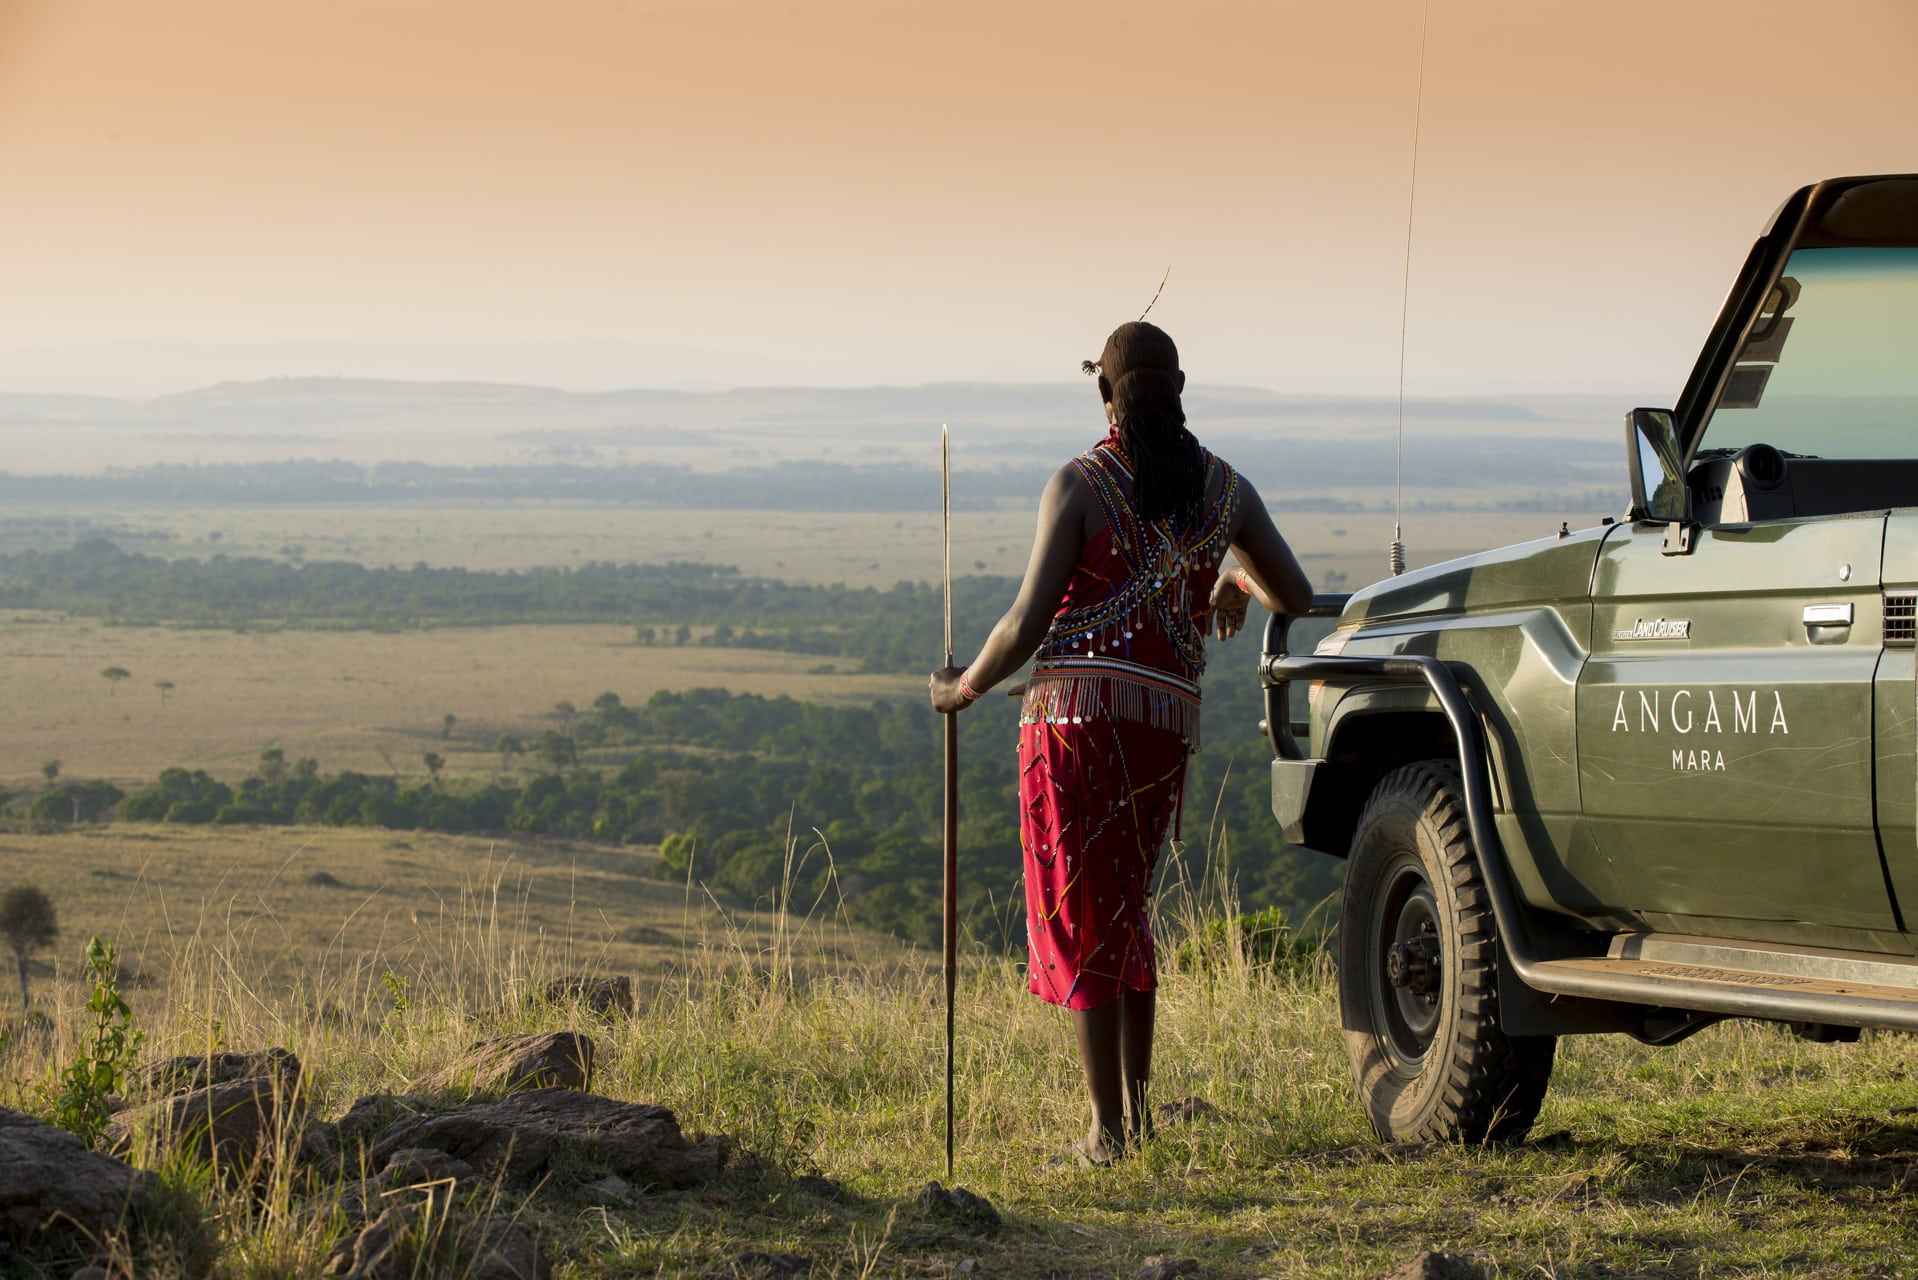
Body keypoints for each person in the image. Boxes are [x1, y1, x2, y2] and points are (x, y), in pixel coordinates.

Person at [929, 320, 1312, 1165]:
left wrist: (962, 688)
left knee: (1082, 917)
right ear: (1180, 389)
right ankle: (1132, 1119)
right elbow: (1299, 591)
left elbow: (1027, 624)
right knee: (1128, 914)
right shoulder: (1226, 490)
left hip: (1072, 727)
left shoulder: (1080, 483)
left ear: (1106, 395)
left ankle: (1106, 1133)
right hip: (1160, 733)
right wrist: (1234, 575)